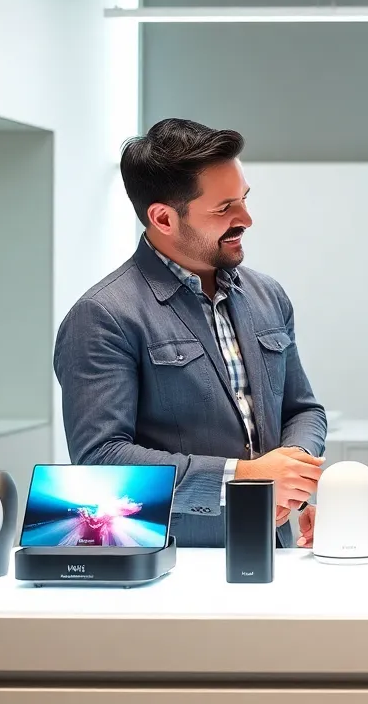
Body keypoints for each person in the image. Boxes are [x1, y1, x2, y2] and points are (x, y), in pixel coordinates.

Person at [54, 118, 328, 549]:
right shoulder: (102, 316)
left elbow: (303, 410)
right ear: (163, 217)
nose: (247, 219)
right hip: (170, 567)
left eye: (244, 199)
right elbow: (102, 461)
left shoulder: (267, 295)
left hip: (274, 551)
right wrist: (244, 478)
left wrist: (294, 478)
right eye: (224, 209)